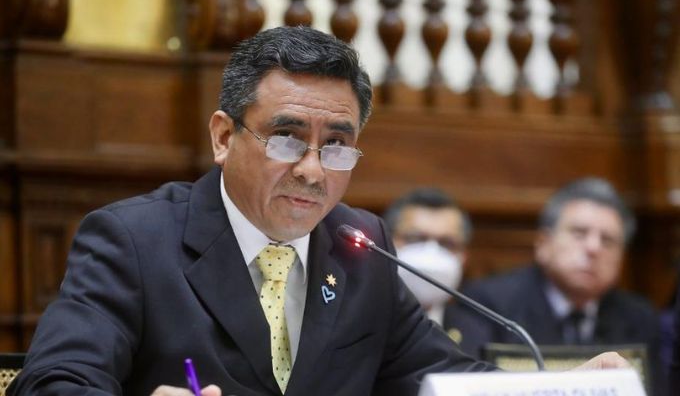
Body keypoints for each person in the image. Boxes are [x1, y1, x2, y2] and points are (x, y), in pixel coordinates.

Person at [8, 27, 627, 396]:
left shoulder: (361, 245)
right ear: (223, 137)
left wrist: (570, 387)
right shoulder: (133, 240)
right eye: (285, 138)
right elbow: (54, 381)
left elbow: (444, 380)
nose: (312, 170)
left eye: (336, 145)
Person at [456, 178, 661, 390]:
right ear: (543, 244)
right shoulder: (489, 304)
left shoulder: (640, 318)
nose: (593, 248)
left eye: (607, 240)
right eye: (579, 233)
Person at [383, 188, 477, 345]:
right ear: (385, 242)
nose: (431, 252)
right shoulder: (357, 320)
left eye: (447, 243)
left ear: (464, 256)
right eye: (415, 239)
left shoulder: (478, 331)